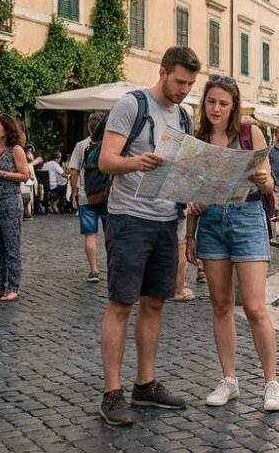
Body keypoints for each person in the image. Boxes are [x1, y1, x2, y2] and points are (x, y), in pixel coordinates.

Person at [96, 46, 200, 426]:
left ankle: (145, 384)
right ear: (162, 72)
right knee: (121, 304)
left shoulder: (185, 117)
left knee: (155, 304)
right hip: (129, 219)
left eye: (189, 84)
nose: (183, 90)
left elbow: (182, 168)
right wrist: (135, 162)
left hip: (165, 220)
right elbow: (106, 160)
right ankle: (111, 393)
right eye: (178, 82)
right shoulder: (131, 105)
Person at [185, 74, 279, 412]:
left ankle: (271, 383)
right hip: (211, 222)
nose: (216, 108)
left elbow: (270, 185)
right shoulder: (197, 139)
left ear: (233, 105)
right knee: (221, 305)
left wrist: (264, 179)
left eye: (223, 103)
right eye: (211, 102)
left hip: (246, 217)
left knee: (255, 307)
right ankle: (229, 380)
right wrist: (190, 229)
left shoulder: (249, 132)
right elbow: (193, 190)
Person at [0, 114, 31, 303]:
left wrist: (1, 173)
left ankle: (13, 287)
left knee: (11, 244)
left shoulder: (16, 150)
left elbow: (25, 175)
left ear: (6, 129)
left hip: (10, 200)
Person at [68, 112, 107, 282]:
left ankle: (94, 270)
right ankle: (113, 267)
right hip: (107, 196)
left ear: (89, 127)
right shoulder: (109, 145)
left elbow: (73, 172)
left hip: (86, 196)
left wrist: (74, 192)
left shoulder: (81, 145)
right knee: (111, 233)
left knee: (90, 234)